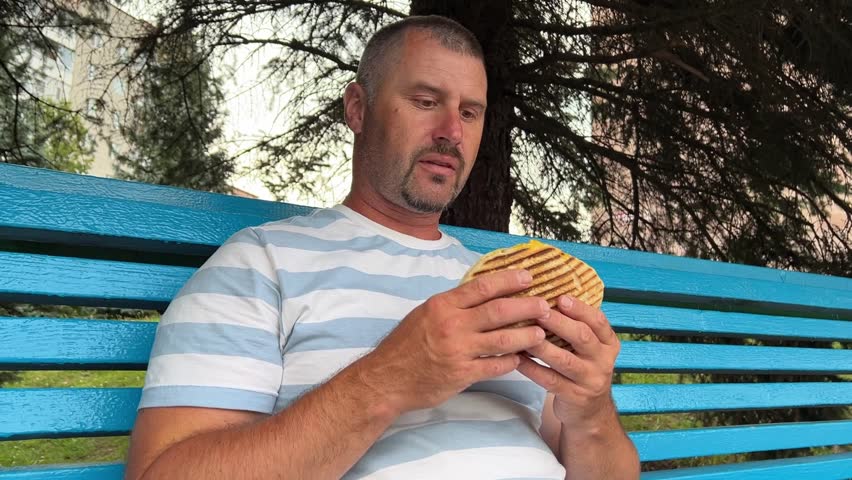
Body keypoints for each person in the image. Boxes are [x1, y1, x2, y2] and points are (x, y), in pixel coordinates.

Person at [125, 15, 640, 480]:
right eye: (425, 101)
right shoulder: (260, 263)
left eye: (471, 112)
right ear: (358, 108)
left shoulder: (504, 287)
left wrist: (591, 410)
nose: (451, 133)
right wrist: (388, 379)